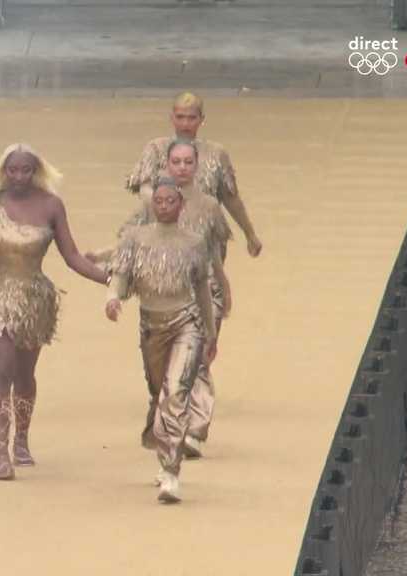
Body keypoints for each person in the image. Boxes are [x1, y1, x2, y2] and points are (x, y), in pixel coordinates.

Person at [0, 143, 110, 480]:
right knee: (0, 370)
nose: (19, 176)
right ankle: (1, 452)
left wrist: (111, 279)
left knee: (24, 376)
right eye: (13, 169)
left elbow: (73, 256)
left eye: (26, 170)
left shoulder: (52, 206)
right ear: (3, 171)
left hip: (33, 300)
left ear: (36, 172)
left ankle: (22, 438)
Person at [93, 140, 232, 458]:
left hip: (200, 291)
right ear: (166, 165)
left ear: (197, 165)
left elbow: (214, 252)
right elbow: (128, 245)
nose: (182, 168)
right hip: (156, 301)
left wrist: (223, 285)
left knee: (194, 366)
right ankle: (166, 423)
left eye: (188, 162)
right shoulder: (150, 207)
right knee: (162, 382)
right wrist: (107, 273)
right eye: (176, 162)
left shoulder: (209, 206)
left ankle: (193, 431)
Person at [105, 181, 217, 503]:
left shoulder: (194, 243)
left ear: (180, 205)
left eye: (171, 201)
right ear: (152, 204)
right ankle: (163, 448)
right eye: (159, 201)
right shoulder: (135, 240)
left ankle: (171, 471)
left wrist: (209, 333)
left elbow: (203, 291)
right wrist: (112, 299)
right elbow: (121, 275)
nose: (164, 205)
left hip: (187, 322)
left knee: (176, 394)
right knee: (159, 392)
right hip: (152, 325)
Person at [125, 91, 263, 258]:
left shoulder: (217, 153)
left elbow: (230, 198)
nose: (185, 124)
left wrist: (250, 233)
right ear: (172, 118)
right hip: (162, 238)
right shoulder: (155, 148)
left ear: (201, 119)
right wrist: (166, 214)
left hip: (205, 238)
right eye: (180, 117)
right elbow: (145, 191)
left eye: (191, 118)